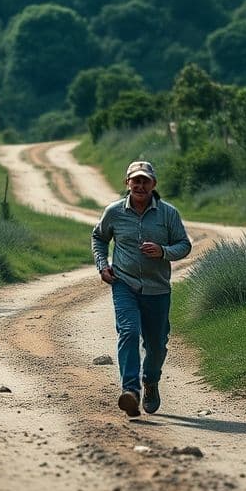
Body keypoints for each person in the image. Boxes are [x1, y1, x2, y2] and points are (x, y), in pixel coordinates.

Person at [91, 160, 192, 417]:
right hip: (124, 284)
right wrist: (103, 265)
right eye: (135, 180)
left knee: (157, 344)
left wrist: (163, 252)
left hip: (158, 288)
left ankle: (151, 381)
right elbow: (99, 238)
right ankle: (131, 392)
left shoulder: (168, 214)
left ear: (153, 184)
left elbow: (184, 245)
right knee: (128, 331)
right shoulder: (114, 212)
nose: (140, 185)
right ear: (127, 184)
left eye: (145, 180)